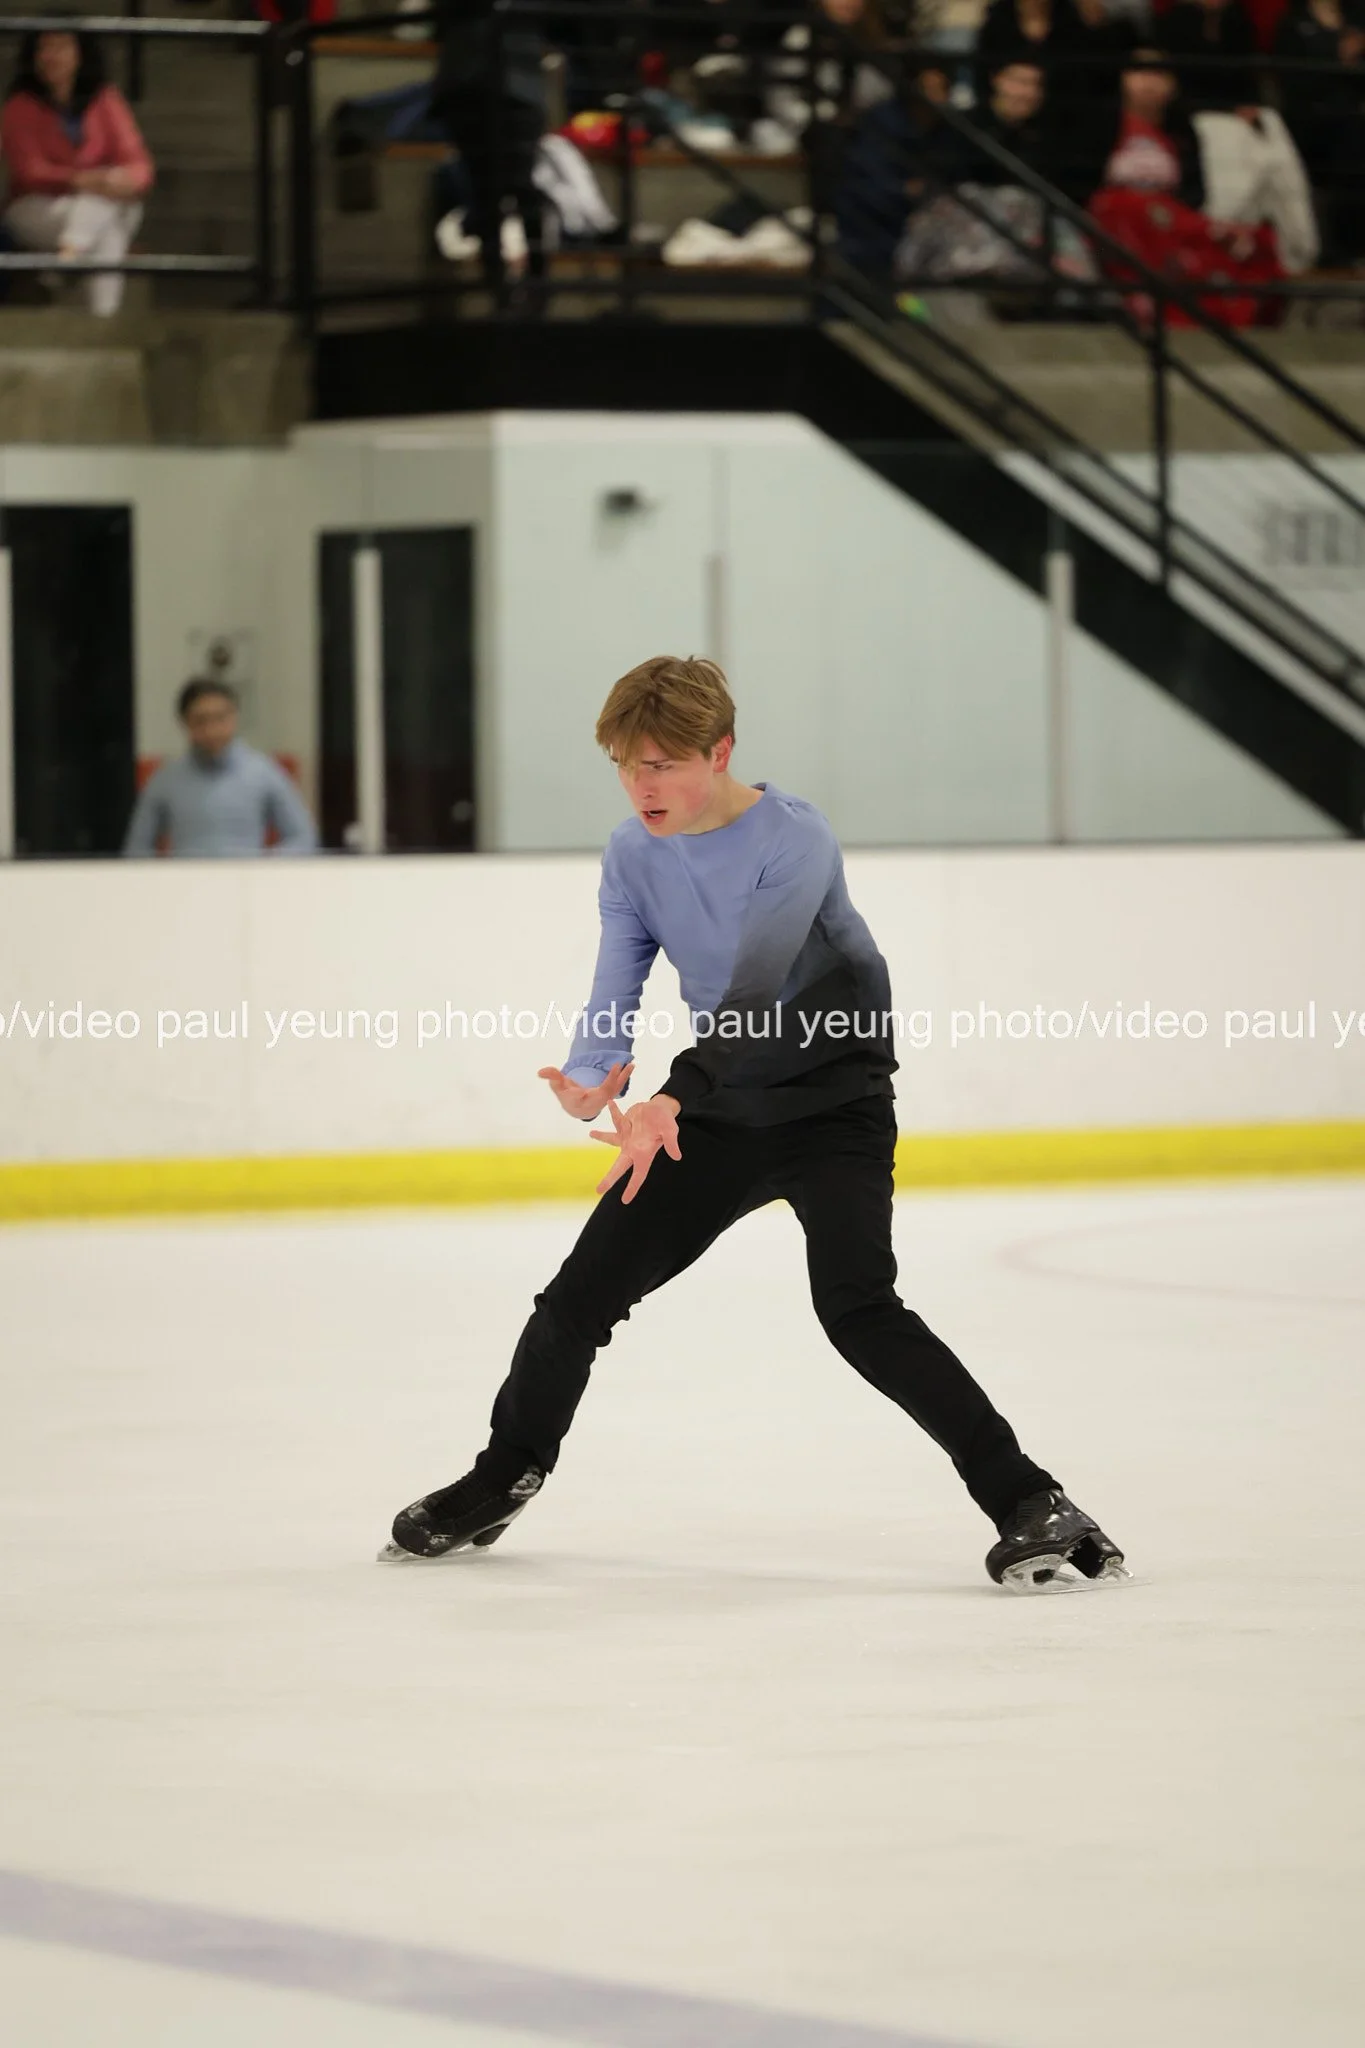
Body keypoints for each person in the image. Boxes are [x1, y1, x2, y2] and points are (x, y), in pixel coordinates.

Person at [380, 656, 1127, 1593]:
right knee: (574, 1301)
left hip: (834, 1107)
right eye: (625, 765)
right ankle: (503, 1476)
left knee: (859, 1310)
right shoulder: (631, 853)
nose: (641, 786)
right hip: (720, 1112)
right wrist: (590, 1076)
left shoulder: (793, 838)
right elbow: (618, 977)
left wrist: (670, 1095)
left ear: (720, 752)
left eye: (662, 765)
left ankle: (1030, 1499)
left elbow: (755, 994)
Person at [0, 29, 153, 317]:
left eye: (61, 47)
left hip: (101, 202)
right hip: (38, 206)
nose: (51, 57)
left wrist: (125, 181)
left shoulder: (105, 99)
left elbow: (138, 163)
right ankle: (103, 323)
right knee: (109, 227)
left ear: (81, 54)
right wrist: (84, 180)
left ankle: (68, 259)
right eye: (44, 48)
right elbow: (29, 171)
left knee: (104, 206)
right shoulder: (20, 105)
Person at [428, 0, 548, 306]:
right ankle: (499, 290)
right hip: (467, 81)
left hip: (516, 80)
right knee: (484, 192)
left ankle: (537, 286)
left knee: (521, 187)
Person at [122, 680, 317, 859]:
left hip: (248, 881)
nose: (212, 730)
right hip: (185, 882)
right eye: (201, 720)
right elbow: (136, 849)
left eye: (220, 718)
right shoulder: (164, 780)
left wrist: (265, 866)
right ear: (184, 723)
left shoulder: (265, 773)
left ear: (235, 717)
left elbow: (303, 838)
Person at [1163, 0, 1261, 116]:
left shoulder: (1237, 19)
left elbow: (1247, 73)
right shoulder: (1179, 19)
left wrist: (1247, 103)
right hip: (1187, 104)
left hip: (1233, 105)